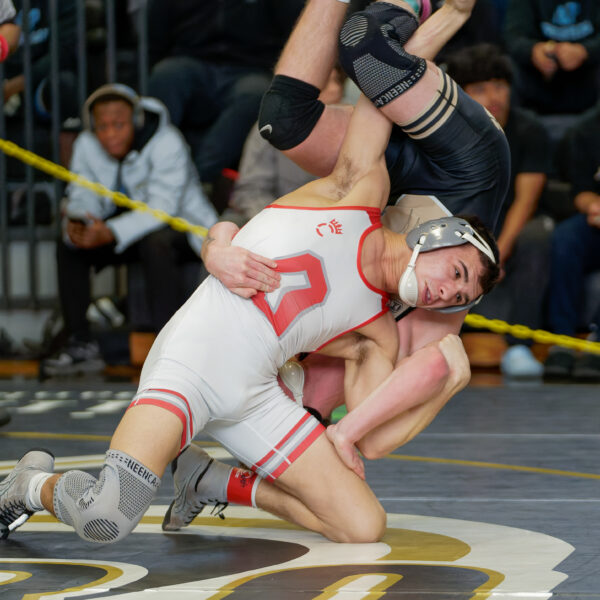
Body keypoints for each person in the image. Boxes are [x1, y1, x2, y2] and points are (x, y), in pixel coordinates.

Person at [0, 9, 501, 541]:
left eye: (458, 296)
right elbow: (386, 88)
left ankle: (209, 479)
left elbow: (374, 437)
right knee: (109, 516)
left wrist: (450, 378)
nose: (448, 292)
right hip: (191, 368)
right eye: (457, 273)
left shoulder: (377, 331)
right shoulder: (357, 192)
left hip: (258, 400)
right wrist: (447, 15)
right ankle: (29, 486)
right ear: (441, 235)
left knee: (362, 525)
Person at [202, 0, 510, 421]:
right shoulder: (430, 312)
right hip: (468, 167)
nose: (445, 293)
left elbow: (308, 418)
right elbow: (369, 430)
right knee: (367, 50)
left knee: (283, 121)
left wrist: (216, 250)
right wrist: (451, 16)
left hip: (396, 190)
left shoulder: (345, 336)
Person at [40, 84, 218, 377]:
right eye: (103, 127)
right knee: (69, 245)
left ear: (135, 121)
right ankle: (81, 345)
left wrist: (109, 231)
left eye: (119, 125)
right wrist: (80, 221)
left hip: (182, 228)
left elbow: (164, 207)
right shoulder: (87, 144)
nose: (110, 134)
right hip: (123, 228)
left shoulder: (167, 141)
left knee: (155, 242)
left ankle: (169, 349)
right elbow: (82, 192)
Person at [445, 44, 553, 378]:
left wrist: (496, 256)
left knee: (537, 236)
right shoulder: (445, 131)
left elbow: (526, 199)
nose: (494, 96)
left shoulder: (529, 130)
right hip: (464, 217)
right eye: (480, 88)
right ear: (461, 94)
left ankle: (519, 344)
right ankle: (439, 343)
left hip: (511, 219)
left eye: (500, 86)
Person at [146, 0, 304, 198]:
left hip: (251, 67)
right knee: (165, 75)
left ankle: (197, 178)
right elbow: (155, 40)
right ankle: (151, 169)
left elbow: (295, 27)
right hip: (192, 61)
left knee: (256, 93)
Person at [226, 66, 349, 224]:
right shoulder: (272, 125)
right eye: (321, 82)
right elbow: (251, 190)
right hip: (275, 219)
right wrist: (282, 223)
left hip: (334, 226)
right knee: (229, 224)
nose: (330, 89)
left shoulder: (357, 128)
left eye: (334, 81)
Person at [543, 102, 600, 381]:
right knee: (566, 237)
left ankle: (596, 341)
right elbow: (580, 189)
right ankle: (562, 338)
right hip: (596, 221)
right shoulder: (586, 130)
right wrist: (593, 206)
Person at [504, 0, 600, 115]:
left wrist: (584, 51)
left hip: (589, 78)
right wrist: (533, 50)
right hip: (538, 78)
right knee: (508, 65)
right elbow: (513, 36)